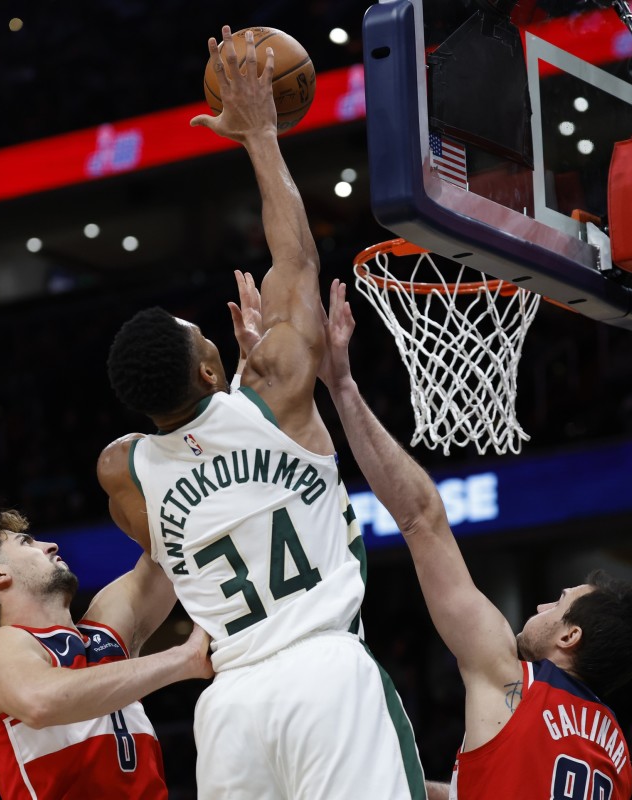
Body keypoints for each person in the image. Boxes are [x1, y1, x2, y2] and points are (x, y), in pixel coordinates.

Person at [97, 26, 426, 800]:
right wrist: (260, 135)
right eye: (205, 338)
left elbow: (187, 496)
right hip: (323, 671)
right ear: (211, 366)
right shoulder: (277, 392)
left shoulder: (122, 468)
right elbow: (298, 260)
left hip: (231, 708)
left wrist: (233, 385)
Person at [316, 280, 632, 800]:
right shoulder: (616, 758)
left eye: (560, 602)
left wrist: (341, 384)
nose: (546, 603)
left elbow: (421, 519)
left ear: (570, 637)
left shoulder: (513, 682)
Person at [0, 508, 213, 799]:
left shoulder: (104, 629)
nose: (50, 545)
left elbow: (173, 546)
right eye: (26, 542)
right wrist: (185, 658)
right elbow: (40, 701)